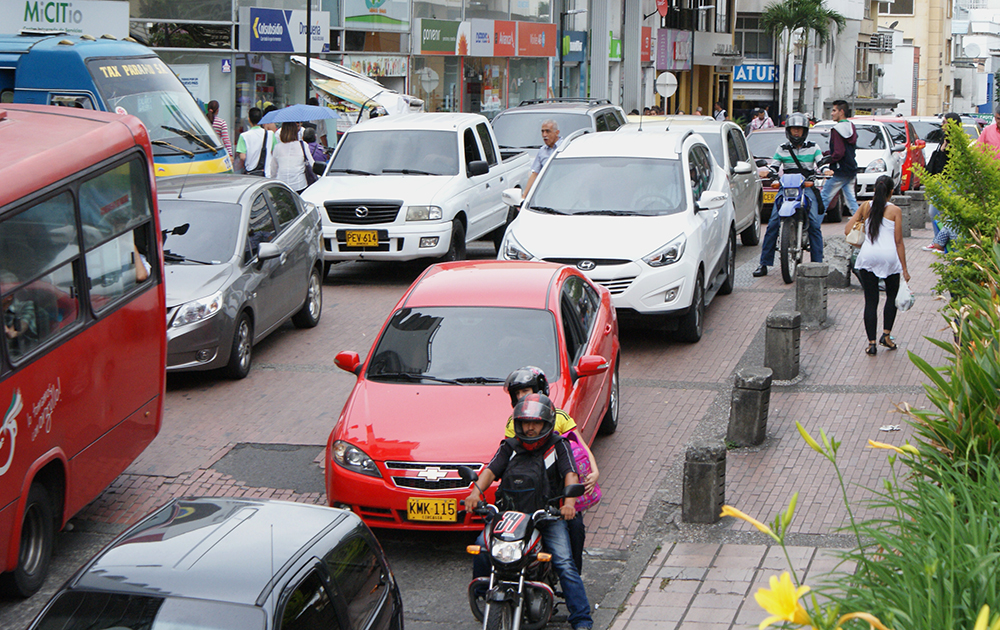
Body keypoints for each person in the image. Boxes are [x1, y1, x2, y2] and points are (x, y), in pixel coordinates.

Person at [464, 394, 594, 630]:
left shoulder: (558, 445)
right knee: (482, 549)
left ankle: (582, 618)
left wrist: (569, 504)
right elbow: (491, 471)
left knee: (564, 562)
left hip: (546, 517)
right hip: (509, 516)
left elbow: (570, 476)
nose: (530, 428)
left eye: (536, 423)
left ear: (547, 423)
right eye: (525, 422)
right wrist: (475, 492)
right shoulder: (510, 446)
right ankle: (484, 594)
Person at [502, 366, 599, 573]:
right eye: (517, 393)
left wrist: (595, 471)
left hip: (559, 493)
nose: (521, 397)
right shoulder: (513, 423)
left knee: (575, 528)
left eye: (525, 391)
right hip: (531, 491)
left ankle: (573, 576)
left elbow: (580, 445)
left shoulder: (561, 417)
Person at [752, 113, 825, 277]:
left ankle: (817, 263)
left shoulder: (814, 147)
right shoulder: (782, 148)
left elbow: (821, 163)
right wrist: (768, 172)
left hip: (806, 187)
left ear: (805, 131)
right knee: (772, 224)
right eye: (794, 130)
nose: (796, 133)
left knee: (814, 223)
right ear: (789, 131)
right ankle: (764, 263)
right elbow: (774, 167)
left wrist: (826, 170)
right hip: (786, 188)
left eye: (799, 130)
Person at [844, 175, 910, 355]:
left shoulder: (865, 206)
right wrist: (904, 268)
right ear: (890, 192)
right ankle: (886, 336)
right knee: (891, 296)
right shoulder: (895, 210)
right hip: (889, 257)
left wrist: (862, 238)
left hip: (868, 256)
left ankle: (871, 344)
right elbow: (898, 241)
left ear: (874, 190)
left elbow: (848, 230)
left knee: (871, 301)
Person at [923, 112, 962, 250]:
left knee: (947, 215)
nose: (942, 125)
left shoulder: (957, 142)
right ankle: (938, 241)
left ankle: (941, 243)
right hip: (938, 181)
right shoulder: (943, 139)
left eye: (945, 122)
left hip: (951, 182)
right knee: (933, 212)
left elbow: (953, 164)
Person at [820, 100, 860, 218]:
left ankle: (813, 228)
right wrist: (827, 153)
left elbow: (838, 152)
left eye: (834, 110)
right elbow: (846, 149)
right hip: (851, 169)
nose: (832, 113)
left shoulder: (836, 129)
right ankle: (862, 225)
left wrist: (828, 159)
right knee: (851, 201)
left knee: (823, 199)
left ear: (841, 112)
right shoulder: (851, 127)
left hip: (839, 171)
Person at [268, 121, 315, 193]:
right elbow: (312, 164)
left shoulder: (277, 147)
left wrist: (273, 179)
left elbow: (273, 169)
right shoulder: (303, 145)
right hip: (299, 184)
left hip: (283, 185)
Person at [235, 107, 274, 176]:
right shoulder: (270, 134)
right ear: (261, 119)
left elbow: (242, 157)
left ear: (249, 119)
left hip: (251, 173)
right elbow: (273, 152)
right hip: (267, 173)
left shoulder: (243, 136)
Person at [525, 119, 560, 194]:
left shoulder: (564, 148)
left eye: (548, 131)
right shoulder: (542, 151)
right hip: (547, 192)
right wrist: (524, 196)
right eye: (542, 131)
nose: (544, 135)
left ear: (557, 133)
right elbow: (535, 174)